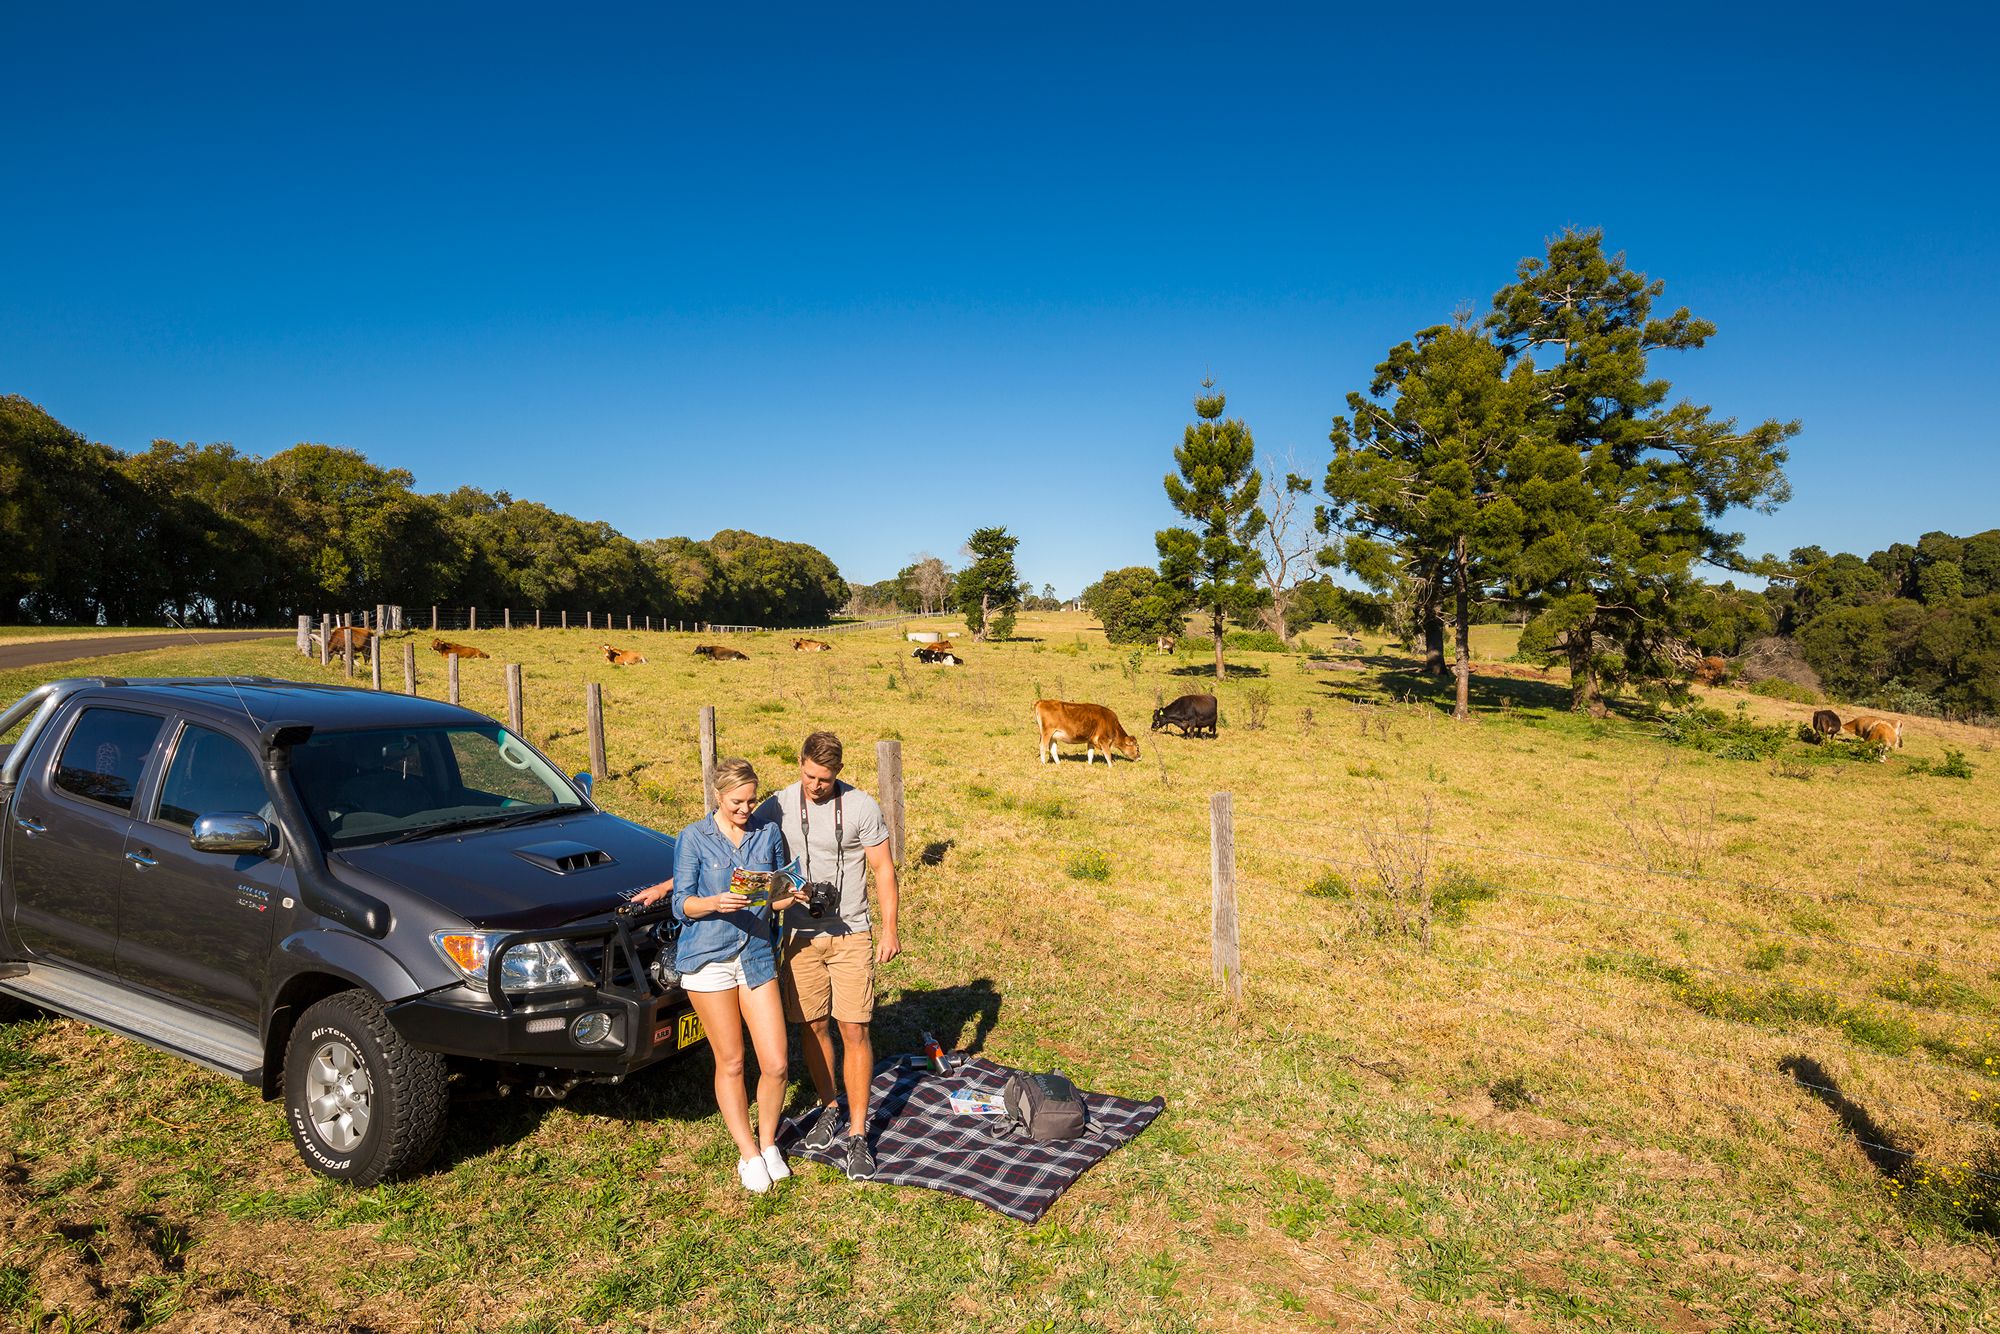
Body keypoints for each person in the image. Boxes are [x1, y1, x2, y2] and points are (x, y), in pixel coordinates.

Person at [757, 731, 900, 1180]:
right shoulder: (777, 805)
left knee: (853, 1028)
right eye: (809, 775)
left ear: (838, 773)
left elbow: (882, 868)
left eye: (825, 778)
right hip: (798, 935)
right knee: (813, 1025)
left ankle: (858, 1133)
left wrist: (890, 929)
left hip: (851, 932)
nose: (816, 785)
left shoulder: (861, 807)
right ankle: (828, 1106)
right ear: (799, 763)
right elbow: (734, 836)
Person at [664, 757, 805, 1194]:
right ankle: (747, 1154)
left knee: (777, 1063)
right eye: (737, 802)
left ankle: (768, 1145)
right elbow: (680, 903)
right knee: (732, 1060)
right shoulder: (693, 838)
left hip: (757, 954)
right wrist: (714, 903)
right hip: (708, 958)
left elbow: (777, 894)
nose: (746, 809)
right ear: (718, 796)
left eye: (752, 800)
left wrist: (791, 896)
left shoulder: (767, 833)